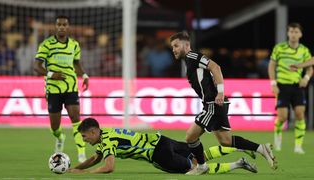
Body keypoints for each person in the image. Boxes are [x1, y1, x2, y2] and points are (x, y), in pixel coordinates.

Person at [169, 32, 277, 175]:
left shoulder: (192, 56)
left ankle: (201, 166)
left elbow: (216, 67)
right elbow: (211, 73)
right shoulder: (189, 61)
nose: (174, 49)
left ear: (186, 45)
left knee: (190, 136)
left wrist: (220, 92)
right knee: (225, 141)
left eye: (176, 45)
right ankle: (261, 149)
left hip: (213, 102)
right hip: (214, 103)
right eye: (172, 47)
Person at [68, 117, 257, 174]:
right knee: (201, 157)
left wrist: (85, 173)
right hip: (162, 140)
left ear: (94, 132)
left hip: (158, 154)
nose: (84, 140)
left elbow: (109, 167)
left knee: (197, 169)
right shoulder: (108, 133)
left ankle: (238, 164)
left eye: (85, 137)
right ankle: (238, 149)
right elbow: (96, 158)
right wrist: (74, 169)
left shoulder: (107, 141)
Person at [33, 15, 89, 162]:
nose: (62, 27)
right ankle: (60, 137)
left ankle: (81, 154)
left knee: (76, 117)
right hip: (53, 89)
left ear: (68, 27)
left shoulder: (74, 45)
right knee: (54, 126)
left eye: (65, 25)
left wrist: (84, 75)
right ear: (55, 27)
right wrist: (51, 74)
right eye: (59, 25)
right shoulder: (47, 45)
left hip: (70, 86)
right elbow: (36, 67)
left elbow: (76, 63)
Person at [268, 22, 313, 154]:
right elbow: (271, 65)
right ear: (288, 33)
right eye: (291, 32)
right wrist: (273, 83)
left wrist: (306, 78)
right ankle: (277, 137)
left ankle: (298, 146)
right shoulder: (279, 48)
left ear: (300, 34)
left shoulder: (304, 50)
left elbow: (310, 68)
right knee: (282, 117)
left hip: (297, 86)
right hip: (282, 85)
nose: (293, 34)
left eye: (296, 32)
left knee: (300, 114)